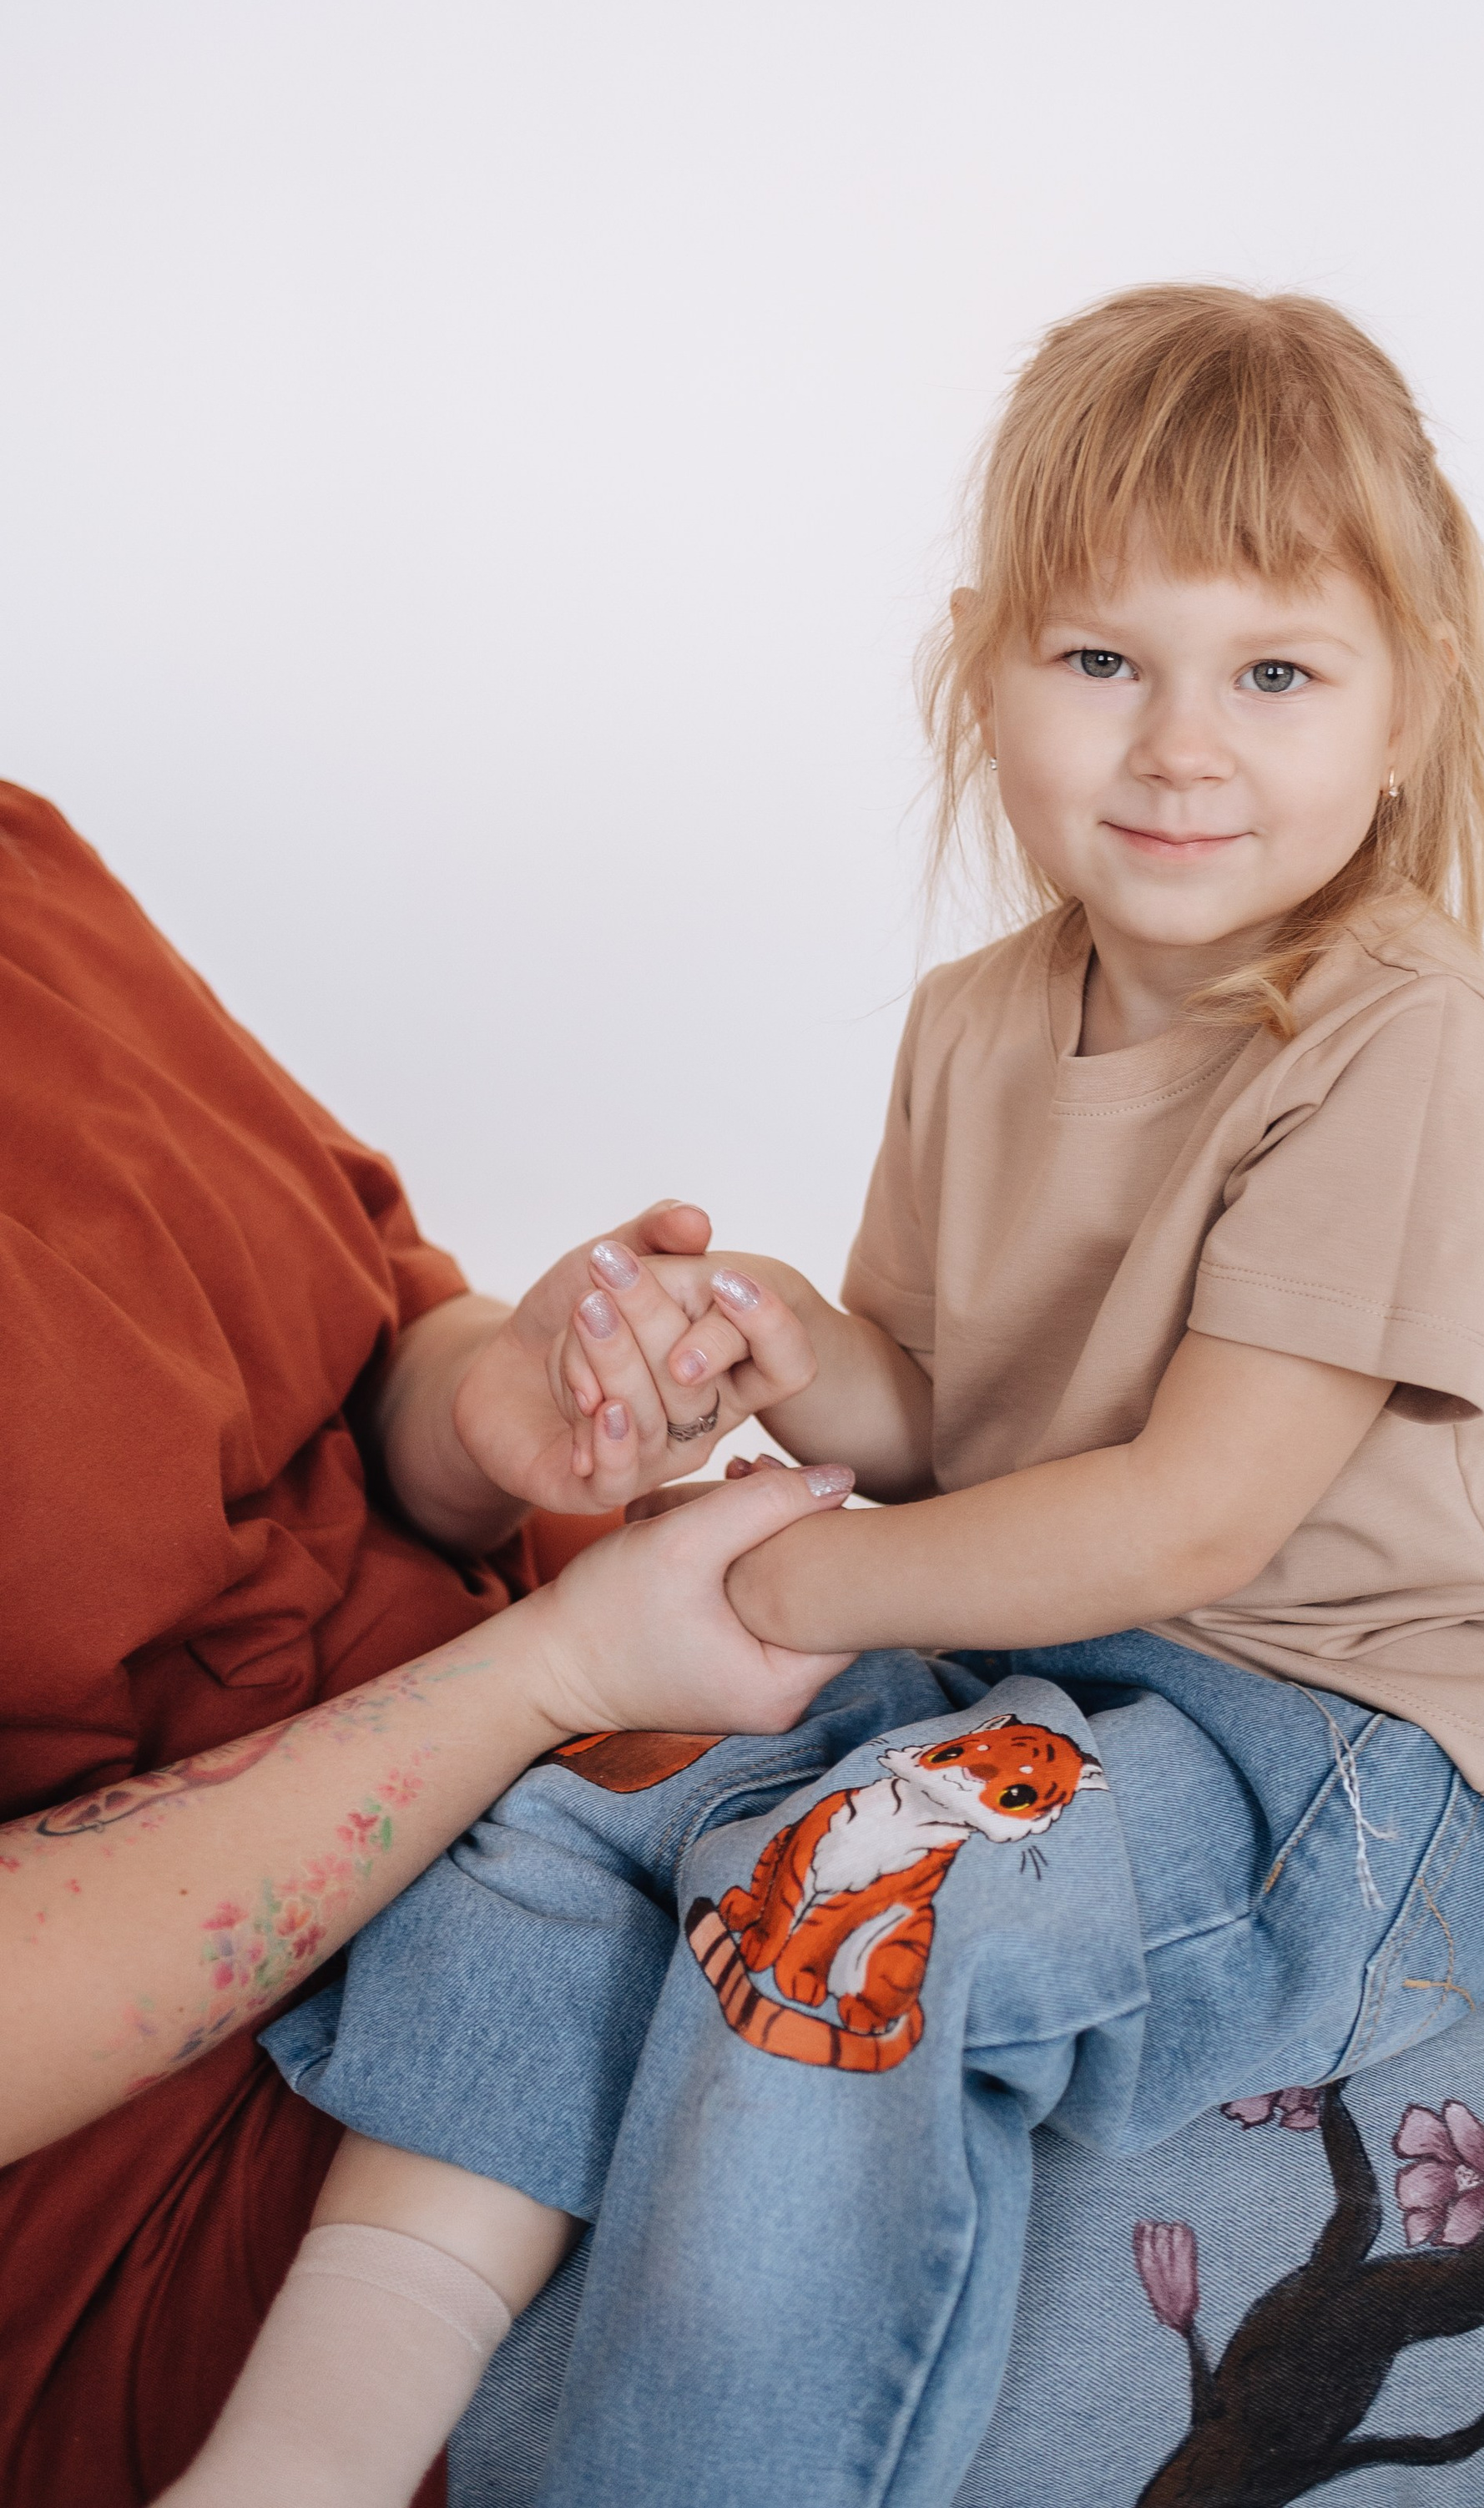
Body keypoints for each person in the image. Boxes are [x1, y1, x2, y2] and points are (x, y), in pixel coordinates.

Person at [165, 285, 1484, 2508]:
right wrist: (783, 1340)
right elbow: (949, 1413)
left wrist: (799, 1585)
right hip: (1070, 1664)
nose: (1181, 746)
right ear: (983, 668)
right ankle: (306, 2455)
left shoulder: (1398, 1041)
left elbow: (1198, 1518)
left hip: (1346, 1739)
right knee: (580, 1798)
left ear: (1408, 707)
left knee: (846, 1911)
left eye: (1275, 674)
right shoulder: (978, 1020)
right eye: (1102, 659)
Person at [0, 780, 861, 2507]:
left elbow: (375, 1317)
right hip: (211, 2156)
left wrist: (492, 1409)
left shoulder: (20, 861)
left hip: (599, 1707)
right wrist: (543, 1678)